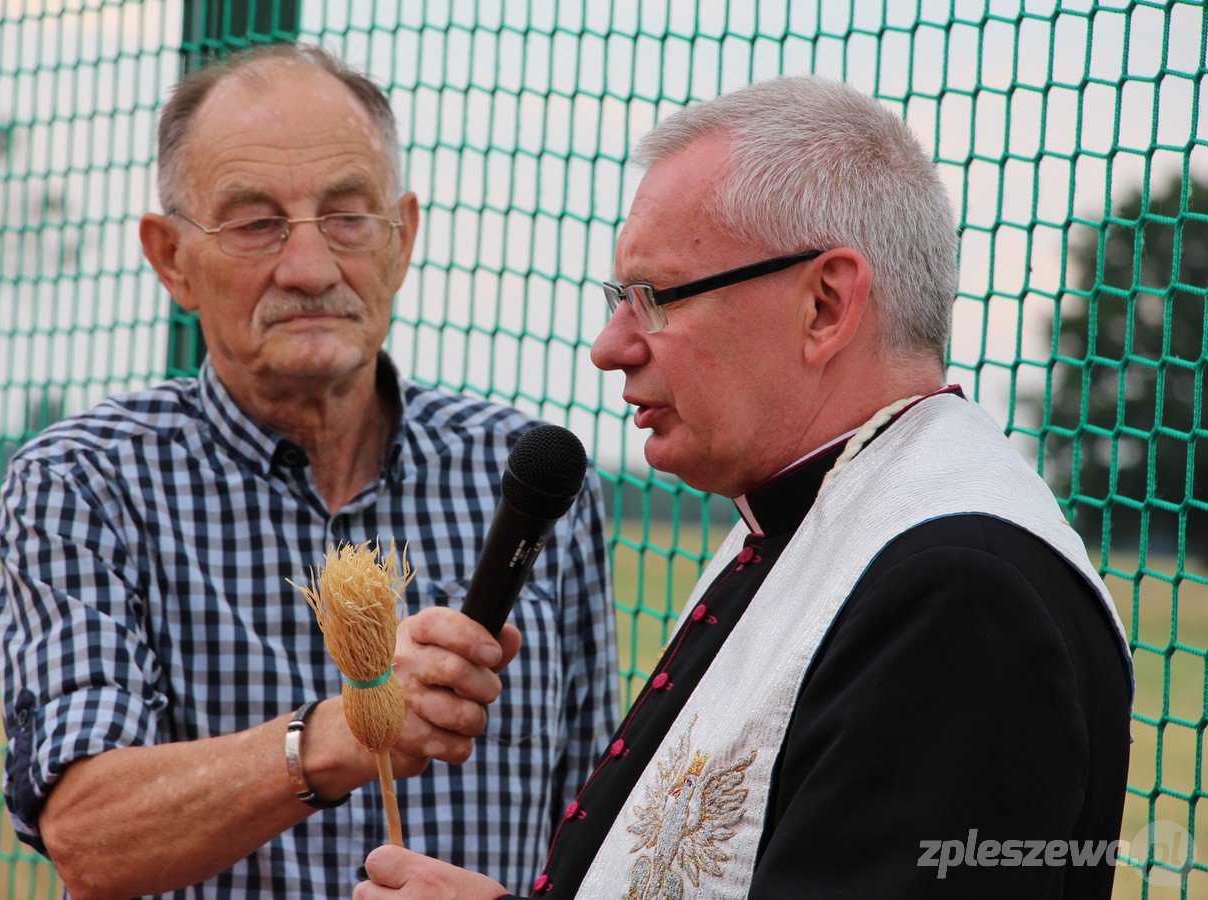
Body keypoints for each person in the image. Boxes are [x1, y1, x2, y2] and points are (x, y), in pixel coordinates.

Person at [355, 75, 1134, 899]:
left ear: (826, 305)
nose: (610, 345)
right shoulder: (820, 514)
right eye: (620, 299)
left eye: (652, 297)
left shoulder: (962, 594)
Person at [0, 42, 617, 899]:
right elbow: (90, 834)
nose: (311, 268)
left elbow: (597, 838)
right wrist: (353, 730)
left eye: (348, 217)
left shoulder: (531, 483)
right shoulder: (86, 484)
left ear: (403, 236)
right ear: (170, 257)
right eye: (256, 224)